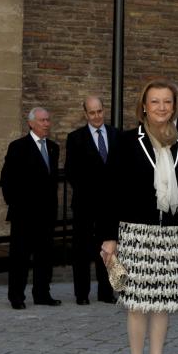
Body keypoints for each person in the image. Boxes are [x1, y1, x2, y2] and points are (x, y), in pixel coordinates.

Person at [100, 79, 178, 354]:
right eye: (155, 102)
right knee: (136, 305)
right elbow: (110, 191)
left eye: (167, 102)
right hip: (135, 233)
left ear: (174, 106)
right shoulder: (127, 141)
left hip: (172, 235)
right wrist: (109, 237)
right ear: (143, 106)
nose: (161, 107)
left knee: (163, 305)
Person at [0, 107, 62, 309]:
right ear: (31, 123)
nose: (46, 124)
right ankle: (16, 296)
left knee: (45, 256)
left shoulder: (53, 148)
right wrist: (16, 205)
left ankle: (42, 293)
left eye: (48, 120)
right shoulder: (18, 147)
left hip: (47, 214)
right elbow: (7, 179)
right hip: (24, 214)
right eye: (43, 120)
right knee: (20, 257)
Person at [65, 95, 119, 305]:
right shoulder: (75, 138)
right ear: (85, 114)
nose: (97, 116)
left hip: (112, 206)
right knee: (81, 251)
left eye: (100, 111)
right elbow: (72, 172)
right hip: (85, 205)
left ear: (104, 110)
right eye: (92, 112)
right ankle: (82, 294)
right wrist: (92, 193)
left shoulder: (116, 135)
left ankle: (107, 293)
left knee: (110, 251)